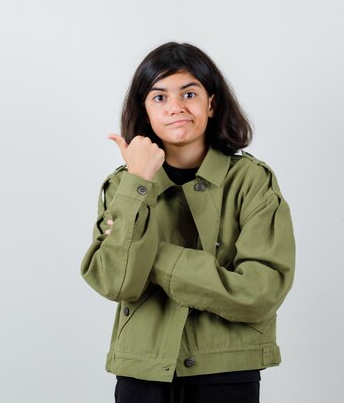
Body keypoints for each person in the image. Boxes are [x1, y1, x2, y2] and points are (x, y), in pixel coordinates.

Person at [80, 42, 295, 403]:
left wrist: (154, 257)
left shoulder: (252, 181)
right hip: (141, 372)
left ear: (211, 103)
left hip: (227, 373)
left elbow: (261, 292)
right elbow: (115, 281)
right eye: (159, 97)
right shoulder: (123, 185)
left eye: (189, 93)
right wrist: (138, 183)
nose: (176, 107)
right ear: (144, 111)